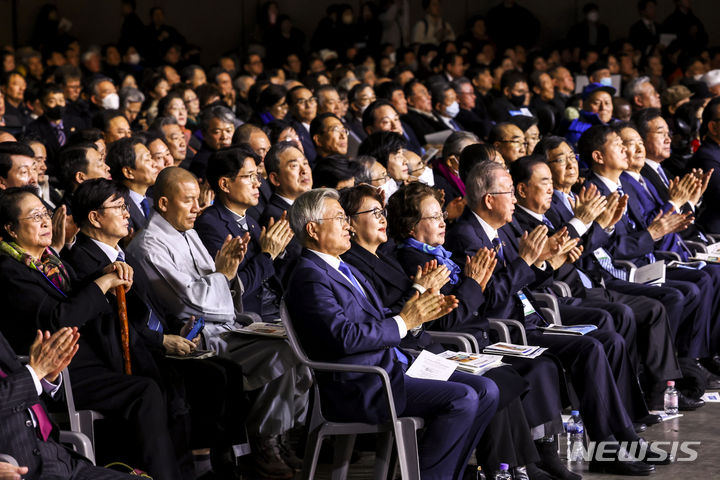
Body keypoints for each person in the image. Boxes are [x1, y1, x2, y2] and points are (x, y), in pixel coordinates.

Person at [444, 161, 663, 475]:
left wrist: (541, 259)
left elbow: (523, 279)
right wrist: (527, 260)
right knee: (588, 348)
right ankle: (599, 449)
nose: (515, 200)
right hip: (507, 330)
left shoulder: (497, 228)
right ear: (490, 200)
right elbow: (489, 301)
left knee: (607, 339)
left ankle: (621, 437)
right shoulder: (467, 236)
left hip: (530, 318)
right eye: (509, 193)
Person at [285, 187, 498, 480]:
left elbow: (378, 317)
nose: (347, 225)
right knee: (462, 398)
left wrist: (419, 313)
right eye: (339, 218)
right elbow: (343, 337)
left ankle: (450, 475)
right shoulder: (310, 276)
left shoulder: (342, 267)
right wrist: (403, 320)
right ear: (313, 229)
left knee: (487, 390)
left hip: (393, 368)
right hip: (364, 383)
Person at [126, 167, 310, 479]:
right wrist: (223, 274)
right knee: (284, 353)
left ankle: (277, 436)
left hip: (223, 323)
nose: (197, 207)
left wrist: (231, 270)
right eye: (188, 201)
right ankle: (262, 440)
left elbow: (221, 288)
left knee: (298, 346)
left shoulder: (191, 233)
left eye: (198, 199)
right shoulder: (148, 245)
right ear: (163, 204)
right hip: (194, 336)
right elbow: (189, 301)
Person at [0, 186, 187, 480]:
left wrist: (103, 273)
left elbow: (74, 292)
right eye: (35, 217)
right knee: (144, 390)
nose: (46, 221)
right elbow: (60, 317)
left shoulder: (50, 261)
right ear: (10, 228)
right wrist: (103, 283)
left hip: (87, 358)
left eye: (46, 213)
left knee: (162, 377)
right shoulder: (9, 271)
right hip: (59, 372)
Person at [0, 326, 136, 479]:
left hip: (62, 460)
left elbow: (19, 396)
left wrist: (46, 378)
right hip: (24, 468)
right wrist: (36, 371)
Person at [195, 144, 293, 320]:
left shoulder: (250, 219)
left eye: (256, 175)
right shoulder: (209, 225)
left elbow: (273, 273)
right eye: (249, 177)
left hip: (279, 308)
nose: (258, 183)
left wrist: (279, 251)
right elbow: (234, 290)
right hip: (250, 318)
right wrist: (269, 254)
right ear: (225, 184)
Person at [106, 136, 160, 233]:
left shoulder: (153, 203)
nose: (155, 164)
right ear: (128, 172)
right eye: (147, 159)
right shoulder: (118, 208)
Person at [189, 105, 236, 180]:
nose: (224, 136)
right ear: (204, 134)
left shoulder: (238, 152)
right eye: (217, 132)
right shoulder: (202, 164)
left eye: (228, 131)